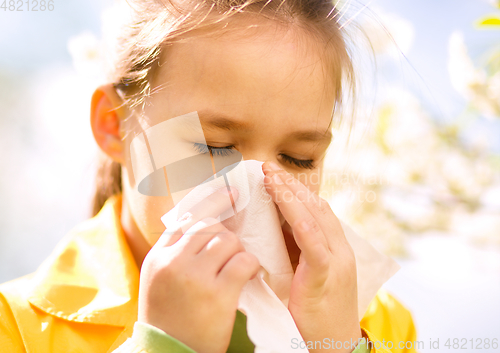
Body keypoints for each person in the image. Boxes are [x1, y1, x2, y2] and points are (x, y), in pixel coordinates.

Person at [0, 0, 417, 352]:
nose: (256, 187)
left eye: (297, 158)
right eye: (214, 146)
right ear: (115, 125)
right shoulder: (17, 326)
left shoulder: (377, 325)